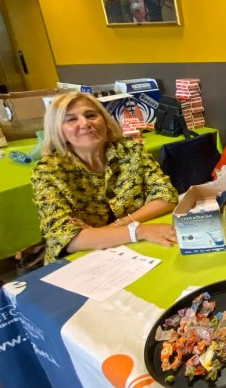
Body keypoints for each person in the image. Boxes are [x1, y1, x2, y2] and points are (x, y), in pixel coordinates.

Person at [31, 92, 178, 265]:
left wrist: (113, 227)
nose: (85, 124)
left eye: (91, 115)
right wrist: (138, 231)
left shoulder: (130, 150)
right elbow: (66, 238)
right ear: (58, 131)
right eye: (71, 119)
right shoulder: (48, 171)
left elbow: (166, 197)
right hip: (80, 261)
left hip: (136, 252)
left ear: (106, 122)